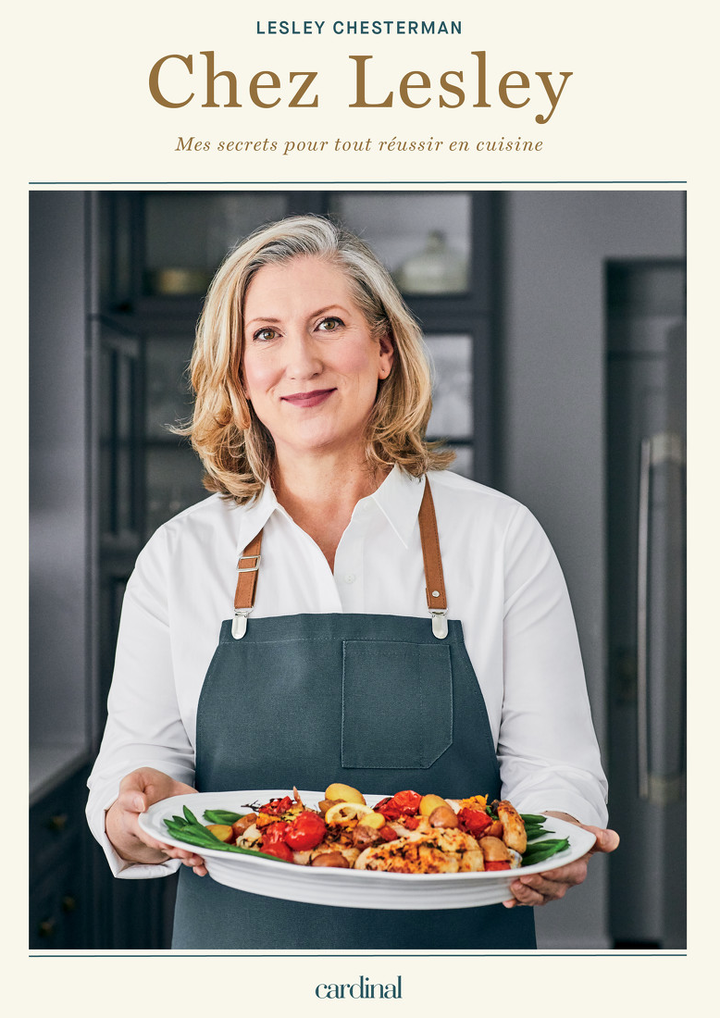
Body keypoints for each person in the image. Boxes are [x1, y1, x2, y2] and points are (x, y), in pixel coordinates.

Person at [86, 214, 618, 949]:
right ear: (238, 372)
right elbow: (135, 767)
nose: (298, 362)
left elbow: (554, 767)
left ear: (385, 350)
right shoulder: (179, 557)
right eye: (265, 334)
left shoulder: (499, 538)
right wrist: (134, 810)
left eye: (328, 324)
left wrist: (555, 833)